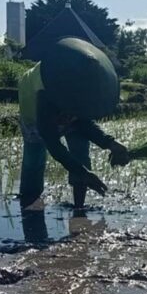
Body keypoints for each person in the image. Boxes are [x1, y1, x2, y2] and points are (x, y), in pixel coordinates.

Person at [17, 36, 131, 210]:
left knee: (81, 155)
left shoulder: (86, 87)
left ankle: (79, 208)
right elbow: (52, 142)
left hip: (64, 101)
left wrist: (110, 143)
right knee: (35, 158)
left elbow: (84, 123)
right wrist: (82, 173)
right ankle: (29, 202)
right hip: (34, 114)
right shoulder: (44, 93)